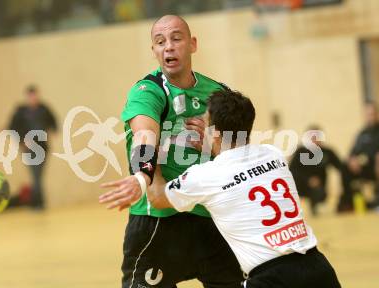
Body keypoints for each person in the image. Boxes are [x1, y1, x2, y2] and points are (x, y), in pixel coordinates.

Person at [101, 90, 341, 288]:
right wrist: (212, 146)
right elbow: (239, 167)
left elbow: (156, 197)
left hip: (272, 279)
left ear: (215, 133)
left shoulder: (205, 175)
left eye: (205, 121)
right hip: (318, 268)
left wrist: (156, 156)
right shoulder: (274, 154)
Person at [101, 15, 242, 288]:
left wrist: (213, 144)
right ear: (153, 51)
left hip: (210, 219)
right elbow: (144, 135)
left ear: (193, 44)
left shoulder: (218, 94)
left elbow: (237, 152)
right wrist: (142, 176)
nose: (168, 47)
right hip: (157, 222)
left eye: (176, 39)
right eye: (160, 42)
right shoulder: (148, 91)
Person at [8, 85, 57, 209]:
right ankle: (38, 202)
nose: (33, 98)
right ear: (27, 97)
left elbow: (54, 122)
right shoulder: (21, 111)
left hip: (42, 146)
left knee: (38, 175)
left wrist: (51, 132)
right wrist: (21, 141)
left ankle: (37, 202)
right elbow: (12, 128)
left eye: (35, 95)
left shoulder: (43, 109)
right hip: (29, 147)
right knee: (35, 175)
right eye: (31, 96)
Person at [290, 126, 341, 216]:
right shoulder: (300, 152)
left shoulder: (327, 152)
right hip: (301, 185)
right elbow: (292, 170)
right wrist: (308, 180)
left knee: (319, 192)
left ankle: (316, 209)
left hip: (319, 187)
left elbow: (341, 167)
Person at [337, 102, 379, 212]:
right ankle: (350, 200)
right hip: (365, 167)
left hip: (376, 165)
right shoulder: (362, 133)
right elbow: (353, 152)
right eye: (368, 114)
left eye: (373, 114)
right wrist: (352, 160)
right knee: (344, 166)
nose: (370, 117)